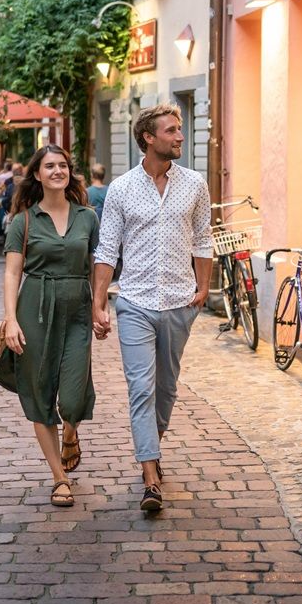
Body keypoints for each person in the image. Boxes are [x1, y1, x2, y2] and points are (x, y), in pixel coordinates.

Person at [91, 104, 213, 513]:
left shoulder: (194, 184)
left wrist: (204, 288)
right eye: (172, 131)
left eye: (180, 130)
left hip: (180, 302)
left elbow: (203, 239)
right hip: (135, 304)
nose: (180, 136)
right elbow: (107, 249)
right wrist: (99, 302)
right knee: (140, 389)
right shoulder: (122, 190)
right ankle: (150, 476)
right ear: (148, 137)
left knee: (166, 390)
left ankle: (151, 445)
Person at [1, 145, 100, 509]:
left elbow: (96, 265)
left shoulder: (87, 217)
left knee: (73, 396)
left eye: (63, 166)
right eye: (49, 166)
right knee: (40, 392)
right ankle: (60, 478)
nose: (57, 171)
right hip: (35, 310)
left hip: (77, 309)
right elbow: (12, 272)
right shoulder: (24, 221)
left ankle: (71, 432)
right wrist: (11, 319)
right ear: (38, 175)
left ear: (70, 173)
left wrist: (100, 306)